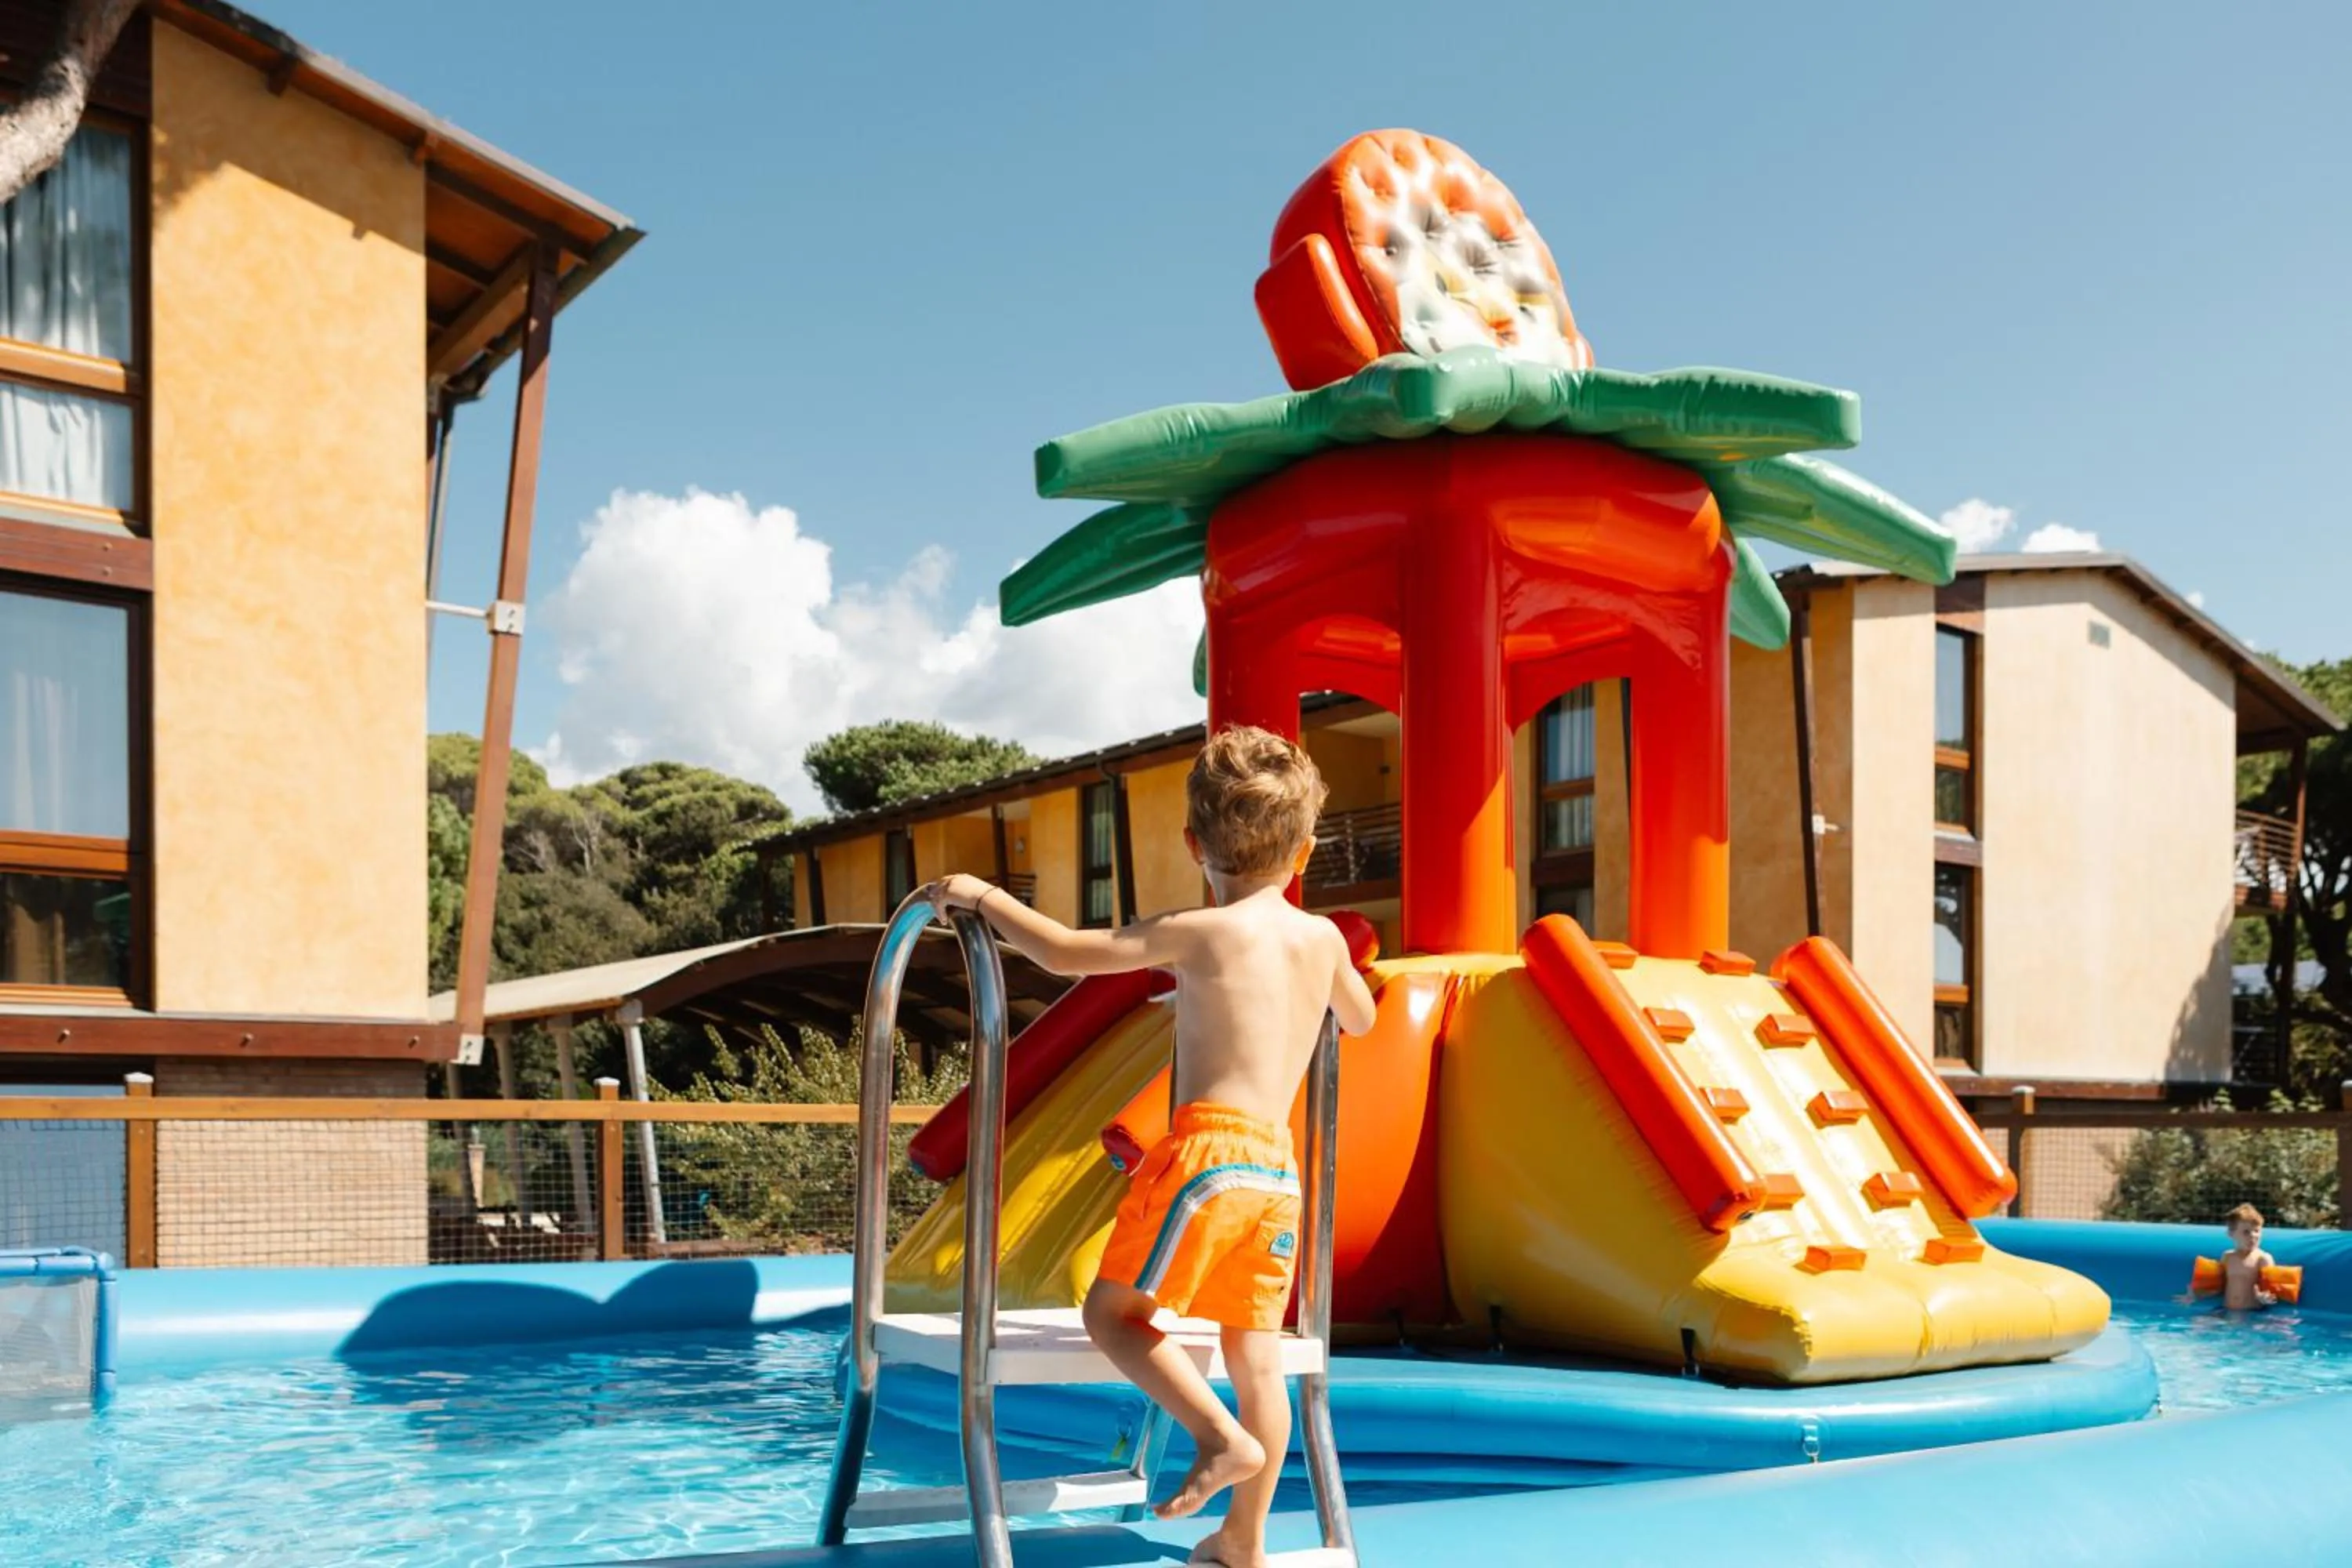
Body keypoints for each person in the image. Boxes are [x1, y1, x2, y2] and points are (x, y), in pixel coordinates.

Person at [931, 724, 1377, 1568]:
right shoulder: (1319, 940)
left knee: (1112, 1313)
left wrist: (981, 897)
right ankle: (1244, 1536)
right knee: (1257, 1357)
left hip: (1209, 1155)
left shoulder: (1199, 931)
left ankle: (1215, 1436)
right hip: (1278, 1174)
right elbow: (1359, 1017)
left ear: (1193, 844)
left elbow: (1064, 952)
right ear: (1308, 850)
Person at [2220, 1203, 2278, 1310]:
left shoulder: (2263, 1259)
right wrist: (2196, 1294)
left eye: (2257, 1231)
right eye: (2246, 1232)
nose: (2253, 1236)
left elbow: (2272, 1291)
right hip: (2226, 1310)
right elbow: (2217, 1285)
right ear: (2231, 1234)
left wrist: (2265, 1297)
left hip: (2251, 1313)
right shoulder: (2227, 1257)